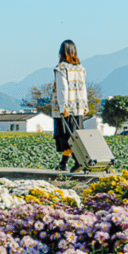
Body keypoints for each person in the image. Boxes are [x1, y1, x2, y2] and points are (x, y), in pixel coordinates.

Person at [52, 39, 88, 172]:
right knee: (75, 136)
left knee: (66, 137)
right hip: (78, 107)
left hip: (66, 108)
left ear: (61, 52)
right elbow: (84, 88)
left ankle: (79, 162)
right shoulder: (81, 68)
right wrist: (85, 105)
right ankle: (63, 163)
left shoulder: (61, 68)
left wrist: (63, 106)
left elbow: (62, 89)